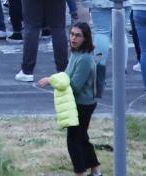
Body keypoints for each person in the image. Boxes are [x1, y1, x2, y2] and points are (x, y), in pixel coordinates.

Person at [39, 22, 100, 176]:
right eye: (72, 34)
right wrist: (58, 80)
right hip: (78, 102)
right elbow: (66, 76)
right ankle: (96, 170)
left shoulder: (85, 59)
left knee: (73, 141)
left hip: (83, 104)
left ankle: (80, 172)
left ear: (85, 38)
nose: (73, 38)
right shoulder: (75, 53)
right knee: (82, 137)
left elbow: (74, 85)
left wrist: (52, 80)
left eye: (78, 35)